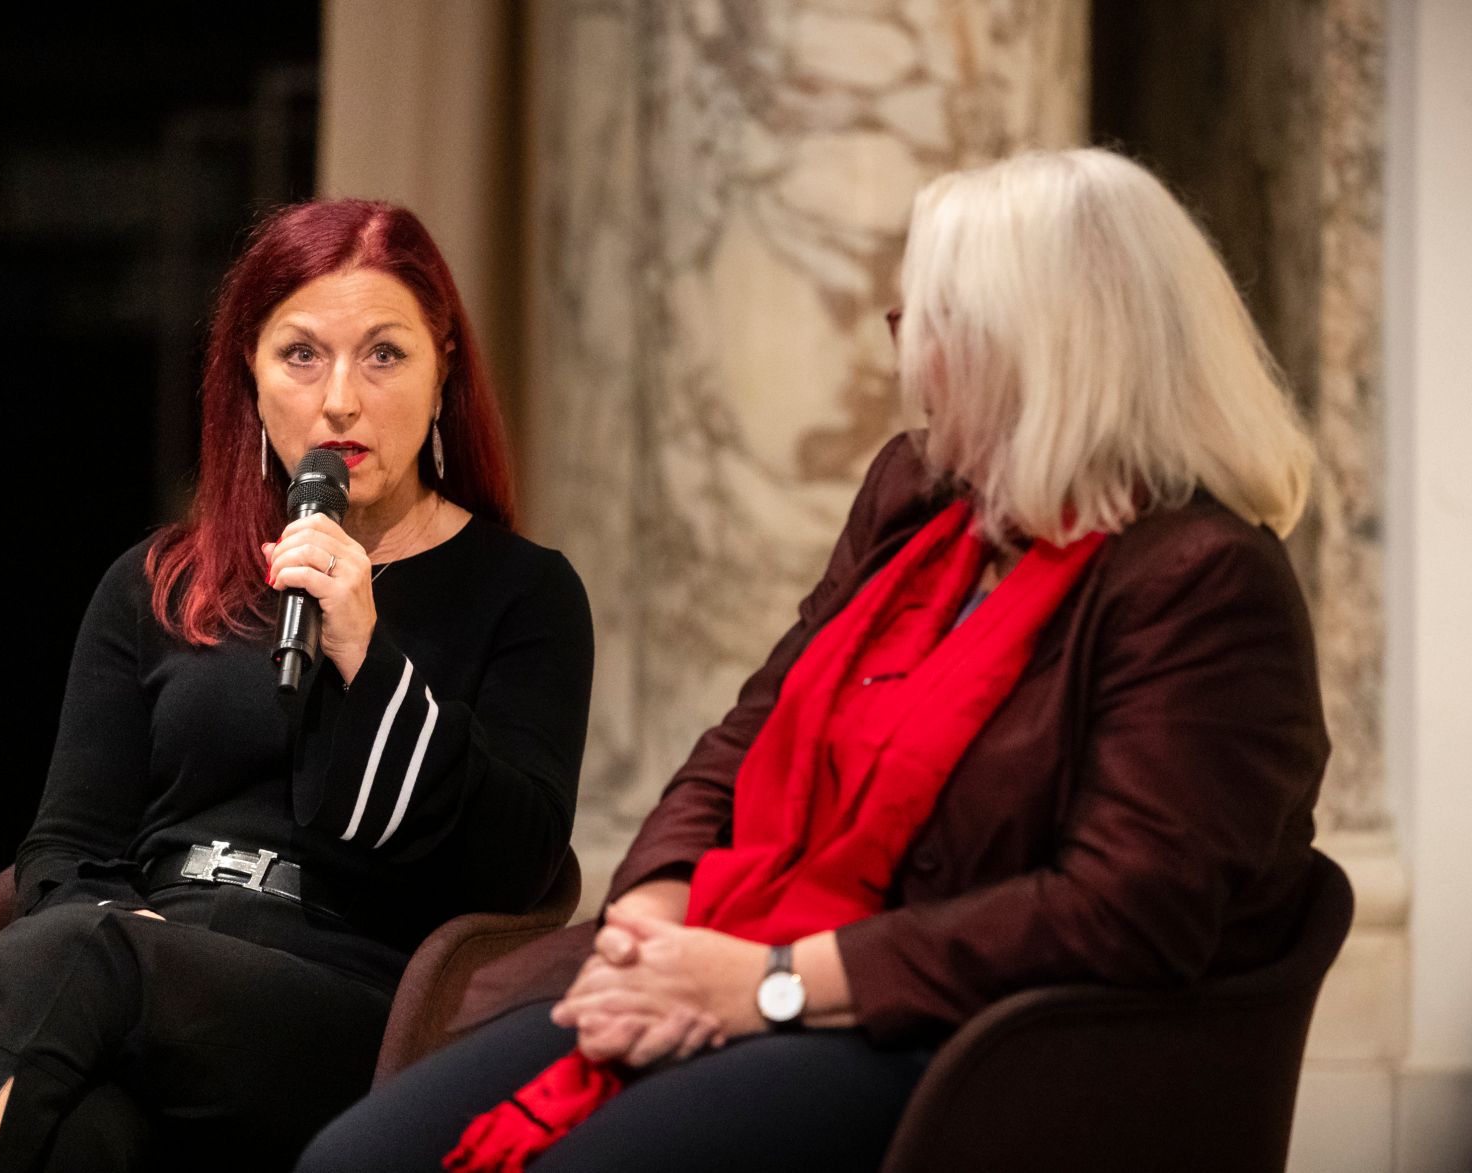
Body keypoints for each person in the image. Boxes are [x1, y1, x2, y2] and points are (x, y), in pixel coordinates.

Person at [297, 147, 1329, 1173]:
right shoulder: (918, 498)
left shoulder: (1200, 582)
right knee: (356, 1159)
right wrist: (649, 922)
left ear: (1045, 353)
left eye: (929, 331)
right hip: (739, 945)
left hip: (960, 1036)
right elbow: (745, 737)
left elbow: (1121, 912)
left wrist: (770, 982)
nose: (909, 367)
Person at [0, 199, 594, 1173]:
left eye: (383, 354)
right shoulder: (157, 582)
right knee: (85, 1137)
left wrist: (367, 656)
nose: (340, 399)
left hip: (346, 1001)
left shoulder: (524, 593)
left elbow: (516, 864)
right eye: (300, 355)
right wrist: (129, 928)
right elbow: (69, 843)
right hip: (139, 962)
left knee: (79, 954)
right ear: (248, 377)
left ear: (442, 365)